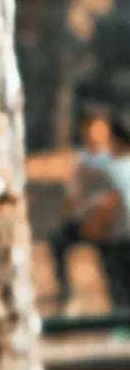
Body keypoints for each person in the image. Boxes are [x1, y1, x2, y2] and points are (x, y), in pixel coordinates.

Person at [48, 103, 113, 311]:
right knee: (57, 239)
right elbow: (73, 195)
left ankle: (117, 308)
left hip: (111, 225)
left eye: (97, 128)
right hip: (86, 221)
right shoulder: (81, 158)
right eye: (88, 128)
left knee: (114, 260)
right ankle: (66, 295)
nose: (92, 133)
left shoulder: (116, 157)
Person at [74, 105, 130, 318]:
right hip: (118, 235)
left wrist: (91, 226)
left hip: (117, 235)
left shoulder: (111, 168)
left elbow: (110, 201)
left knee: (118, 289)